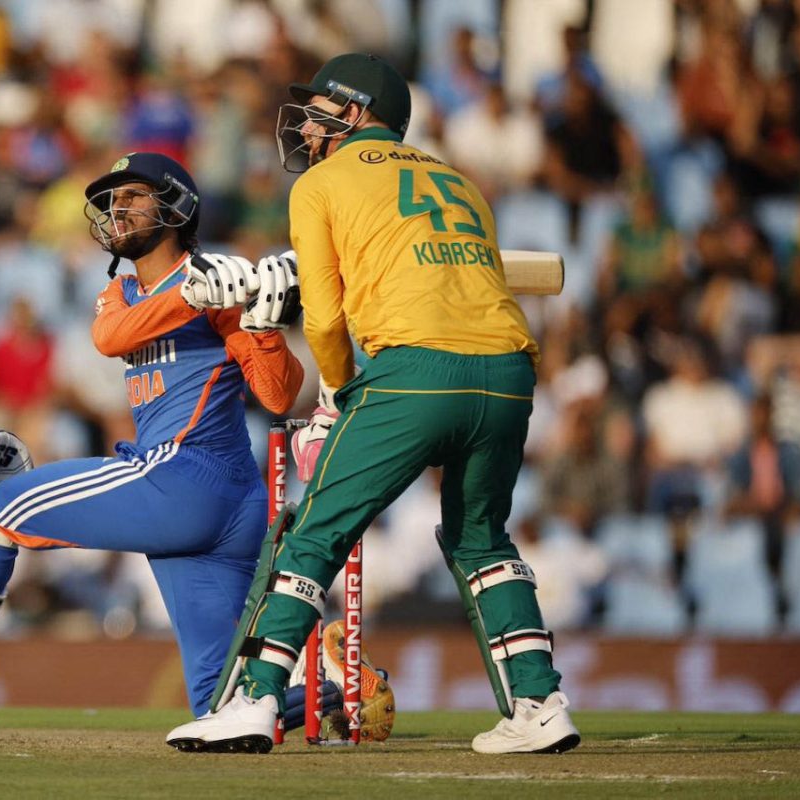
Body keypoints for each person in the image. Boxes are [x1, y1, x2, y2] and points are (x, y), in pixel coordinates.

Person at [166, 54, 580, 755]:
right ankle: (539, 704)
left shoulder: (324, 182)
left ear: (357, 112)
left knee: (314, 530)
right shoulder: (460, 180)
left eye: (323, 108)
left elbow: (325, 321)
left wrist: (332, 398)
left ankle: (257, 699)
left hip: (416, 370)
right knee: (480, 538)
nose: (310, 124)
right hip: (509, 373)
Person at [0, 152, 310, 729]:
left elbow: (279, 394)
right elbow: (109, 337)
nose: (118, 208)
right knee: (221, 702)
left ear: (176, 206)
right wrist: (198, 295)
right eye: (114, 199)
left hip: (186, 475)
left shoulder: (218, 283)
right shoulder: (129, 292)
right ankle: (336, 689)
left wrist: (262, 324)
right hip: (221, 498)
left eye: (134, 196)